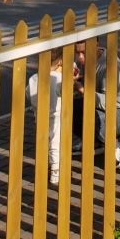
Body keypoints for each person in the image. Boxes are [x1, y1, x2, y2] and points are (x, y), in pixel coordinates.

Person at [28, 48, 68, 184]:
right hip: (56, 116)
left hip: (39, 115)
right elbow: (64, 92)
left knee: (43, 142)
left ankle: (42, 168)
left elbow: (28, 94)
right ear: (60, 62)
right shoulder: (58, 78)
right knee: (55, 143)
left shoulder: (33, 78)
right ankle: (55, 172)